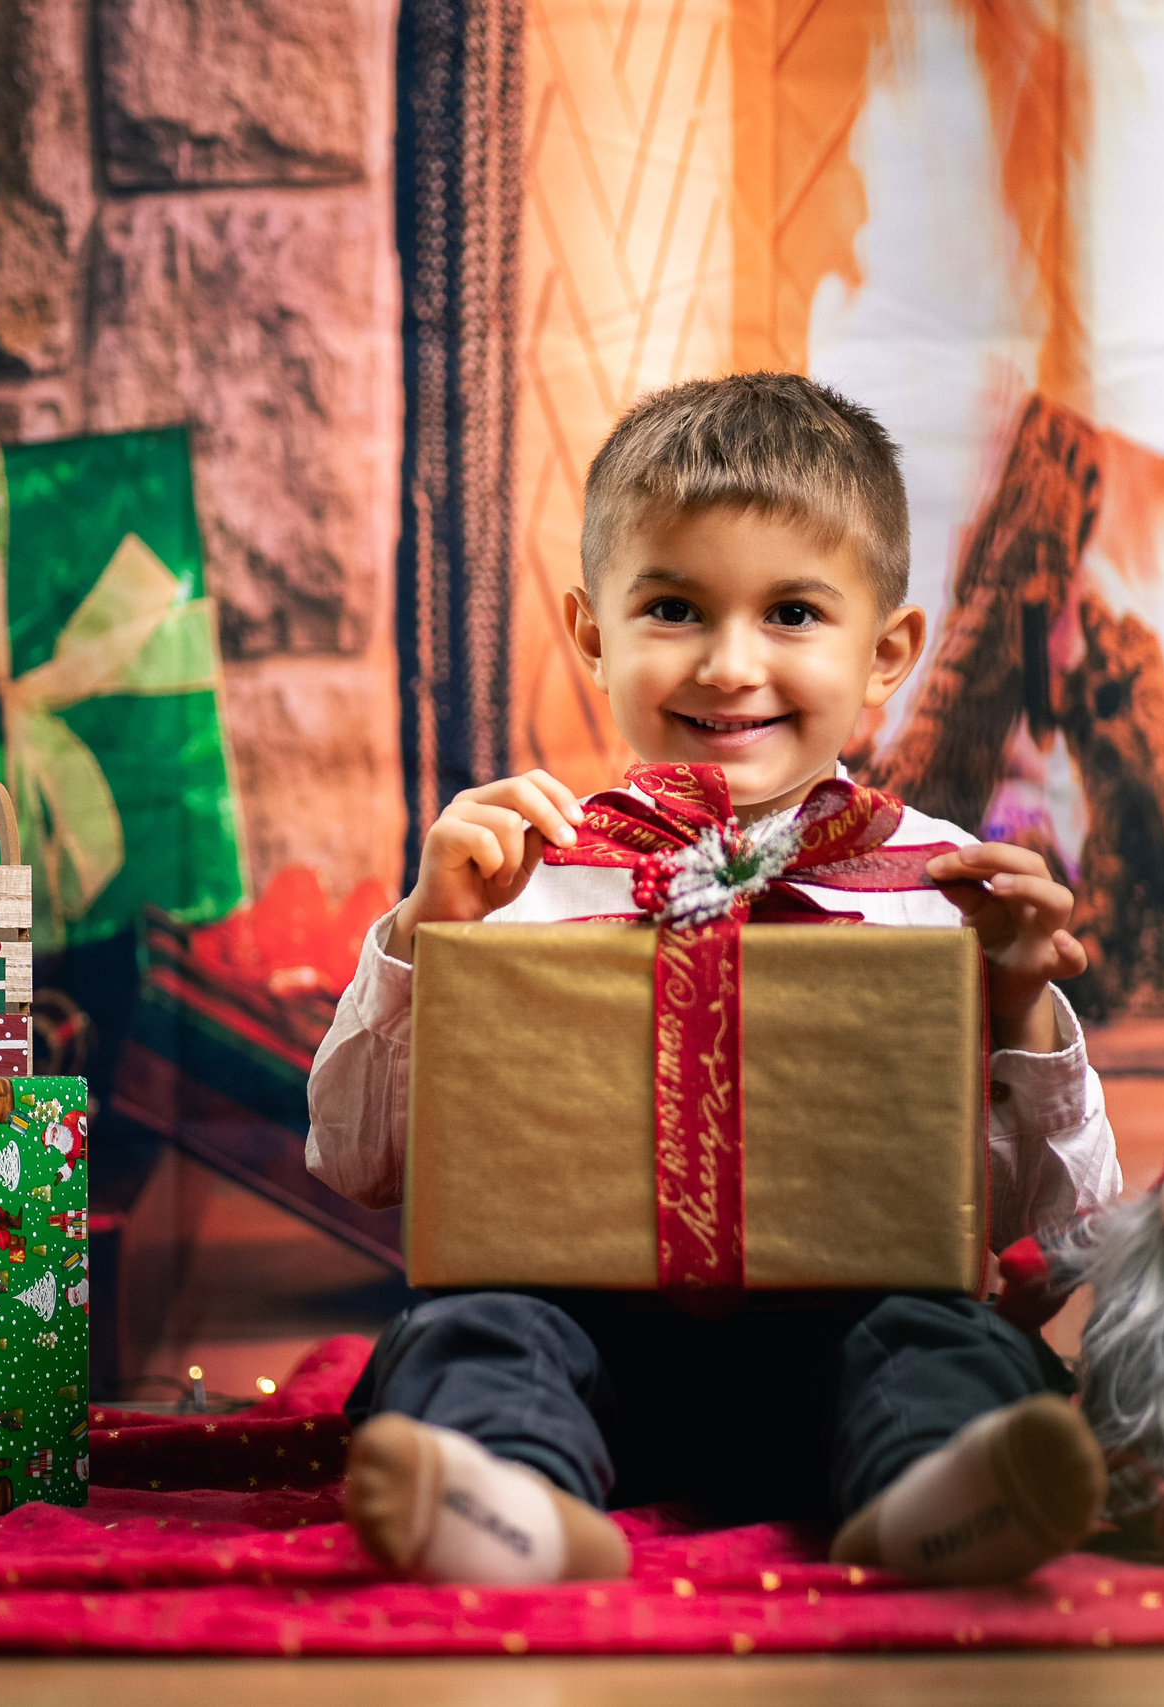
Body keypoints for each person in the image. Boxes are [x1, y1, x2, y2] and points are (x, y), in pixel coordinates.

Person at [307, 372, 1122, 1587]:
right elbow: (356, 1165)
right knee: (473, 1332)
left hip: (849, 1373)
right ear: (594, 634)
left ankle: (935, 1499)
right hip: (584, 1368)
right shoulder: (519, 869)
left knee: (940, 1342)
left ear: (888, 650)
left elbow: (1067, 1235)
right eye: (675, 608)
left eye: (793, 613)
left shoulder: (946, 892)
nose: (731, 666)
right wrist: (431, 933)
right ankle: (513, 1503)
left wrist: (1017, 1009)